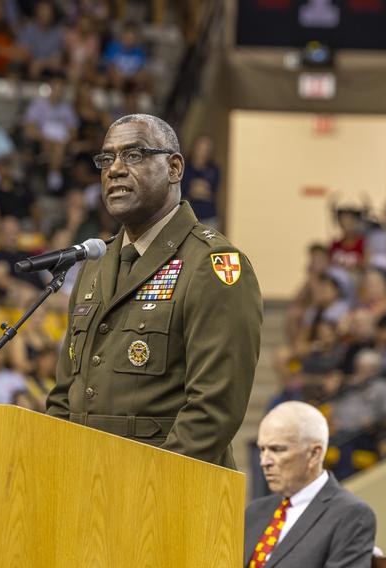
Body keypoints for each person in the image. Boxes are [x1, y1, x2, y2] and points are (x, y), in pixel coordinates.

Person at [45, 114, 263, 468]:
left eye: (133, 155)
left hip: (168, 494)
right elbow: (64, 395)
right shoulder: (96, 264)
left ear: (174, 168)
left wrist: (148, 488)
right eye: (106, 158)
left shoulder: (212, 265)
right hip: (86, 489)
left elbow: (214, 409)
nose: (114, 169)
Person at [246, 401, 376, 568]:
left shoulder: (352, 515)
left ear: (314, 454)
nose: (264, 462)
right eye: (262, 450)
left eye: (277, 449)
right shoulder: (254, 511)